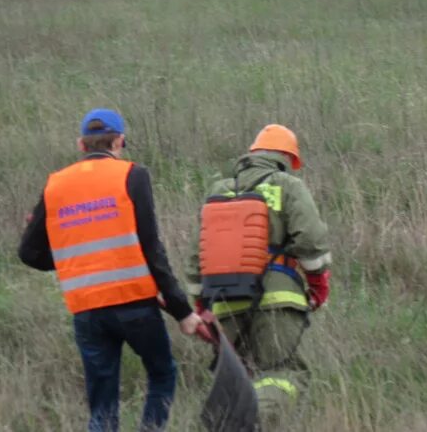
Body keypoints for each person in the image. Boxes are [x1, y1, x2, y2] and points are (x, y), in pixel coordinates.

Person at [19, 108, 201, 432]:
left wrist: (71, 262)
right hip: (136, 305)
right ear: (119, 142)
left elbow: (29, 252)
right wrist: (182, 311)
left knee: (102, 406)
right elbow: (152, 249)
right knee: (162, 373)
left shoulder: (55, 185)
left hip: (87, 310)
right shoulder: (133, 176)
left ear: (81, 145)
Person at [187, 124, 332, 430]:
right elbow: (310, 239)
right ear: (286, 158)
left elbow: (197, 254)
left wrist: (200, 307)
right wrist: (318, 283)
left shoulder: (218, 190)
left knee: (240, 378)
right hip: (277, 299)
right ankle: (255, 423)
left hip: (223, 303)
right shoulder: (286, 185)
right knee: (284, 373)